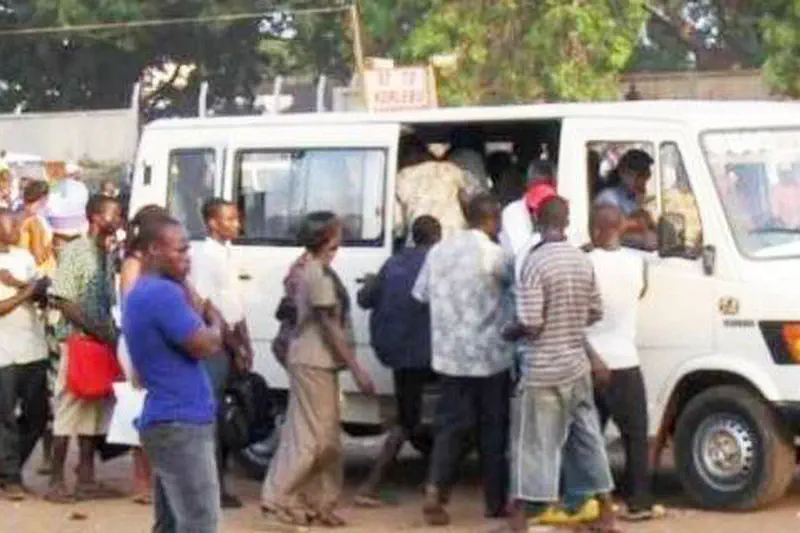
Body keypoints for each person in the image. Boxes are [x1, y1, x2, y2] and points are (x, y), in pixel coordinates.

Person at [509, 197, 619, 533]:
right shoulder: (581, 260)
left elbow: (531, 322)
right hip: (576, 365)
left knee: (532, 445)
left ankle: (519, 520)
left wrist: (507, 331)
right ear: (567, 222)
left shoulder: (534, 262)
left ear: (538, 222)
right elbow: (596, 311)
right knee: (588, 441)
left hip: (543, 368)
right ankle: (606, 512)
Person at [262, 212, 376, 528]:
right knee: (314, 438)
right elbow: (329, 327)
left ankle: (316, 502)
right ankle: (278, 499)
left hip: (316, 361)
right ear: (327, 236)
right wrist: (357, 369)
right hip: (314, 360)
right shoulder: (315, 274)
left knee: (324, 438)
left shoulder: (316, 268)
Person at [413, 194, 513, 526]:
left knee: (450, 429)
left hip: (449, 356)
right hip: (489, 357)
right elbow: (518, 290)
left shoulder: (438, 251)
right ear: (492, 219)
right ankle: (495, 503)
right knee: (492, 431)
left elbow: (421, 295)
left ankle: (435, 491)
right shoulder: (495, 255)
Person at [123, 215, 225, 533]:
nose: (187, 258)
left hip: (170, 418)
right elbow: (204, 344)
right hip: (180, 420)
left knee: (171, 523)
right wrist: (216, 322)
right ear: (154, 249)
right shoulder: (160, 294)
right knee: (199, 522)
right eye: (179, 251)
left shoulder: (150, 290)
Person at [353, 215, 442, 507]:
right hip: (428, 353)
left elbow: (365, 299)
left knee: (410, 416)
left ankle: (385, 483)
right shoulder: (437, 264)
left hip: (396, 353)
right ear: (438, 239)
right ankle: (375, 484)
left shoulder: (393, 263)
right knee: (434, 417)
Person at [585, 204, 662, 521]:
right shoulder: (637, 264)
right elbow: (641, 292)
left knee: (588, 436)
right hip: (625, 359)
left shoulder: (584, 262)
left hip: (590, 359)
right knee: (635, 435)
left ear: (594, 230)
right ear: (620, 228)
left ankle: (591, 500)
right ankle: (639, 501)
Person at [45, 194, 122, 503]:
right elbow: (62, 299)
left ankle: (86, 478)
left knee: (93, 410)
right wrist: (96, 327)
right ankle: (55, 481)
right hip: (77, 340)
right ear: (94, 216)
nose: (117, 221)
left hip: (98, 342)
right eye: (113, 215)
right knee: (68, 409)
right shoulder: (76, 250)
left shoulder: (105, 253)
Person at [190, 198, 254, 509]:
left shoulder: (227, 253)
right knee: (212, 416)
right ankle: (210, 487)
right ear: (212, 223)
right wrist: (234, 345)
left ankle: (219, 482)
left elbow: (234, 304)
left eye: (236, 218)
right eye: (229, 219)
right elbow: (208, 306)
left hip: (231, 342)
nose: (236, 224)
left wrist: (246, 343)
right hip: (216, 345)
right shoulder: (205, 256)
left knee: (229, 411)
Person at [117, 205, 170, 505]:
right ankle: (141, 482)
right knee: (139, 408)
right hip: (138, 342)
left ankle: (151, 479)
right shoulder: (133, 264)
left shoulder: (152, 264)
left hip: (153, 341)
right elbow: (130, 311)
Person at [0, 209, 50, 501]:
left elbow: (44, 291)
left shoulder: (24, 258)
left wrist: (24, 286)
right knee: (4, 417)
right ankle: (10, 478)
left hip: (32, 347)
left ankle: (9, 468)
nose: (18, 228)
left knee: (38, 414)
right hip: (3, 351)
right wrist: (28, 290)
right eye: (11, 224)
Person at [394, 136, 476, 244]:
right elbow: (470, 202)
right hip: (454, 240)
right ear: (426, 153)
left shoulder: (401, 178)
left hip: (420, 244)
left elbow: (398, 225)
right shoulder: (450, 169)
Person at [595, 149, 657, 250]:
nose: (644, 181)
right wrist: (639, 223)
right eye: (641, 175)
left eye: (646, 175)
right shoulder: (608, 197)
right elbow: (613, 228)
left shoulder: (632, 197)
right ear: (624, 173)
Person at [500, 160, 556, 258]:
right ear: (528, 184)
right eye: (537, 185)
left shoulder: (561, 209)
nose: (541, 191)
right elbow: (518, 252)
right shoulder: (512, 212)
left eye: (546, 185)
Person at [18, 180, 56, 275]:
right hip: (40, 275)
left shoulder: (16, 217)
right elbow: (38, 259)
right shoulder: (33, 221)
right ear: (44, 198)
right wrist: (54, 244)